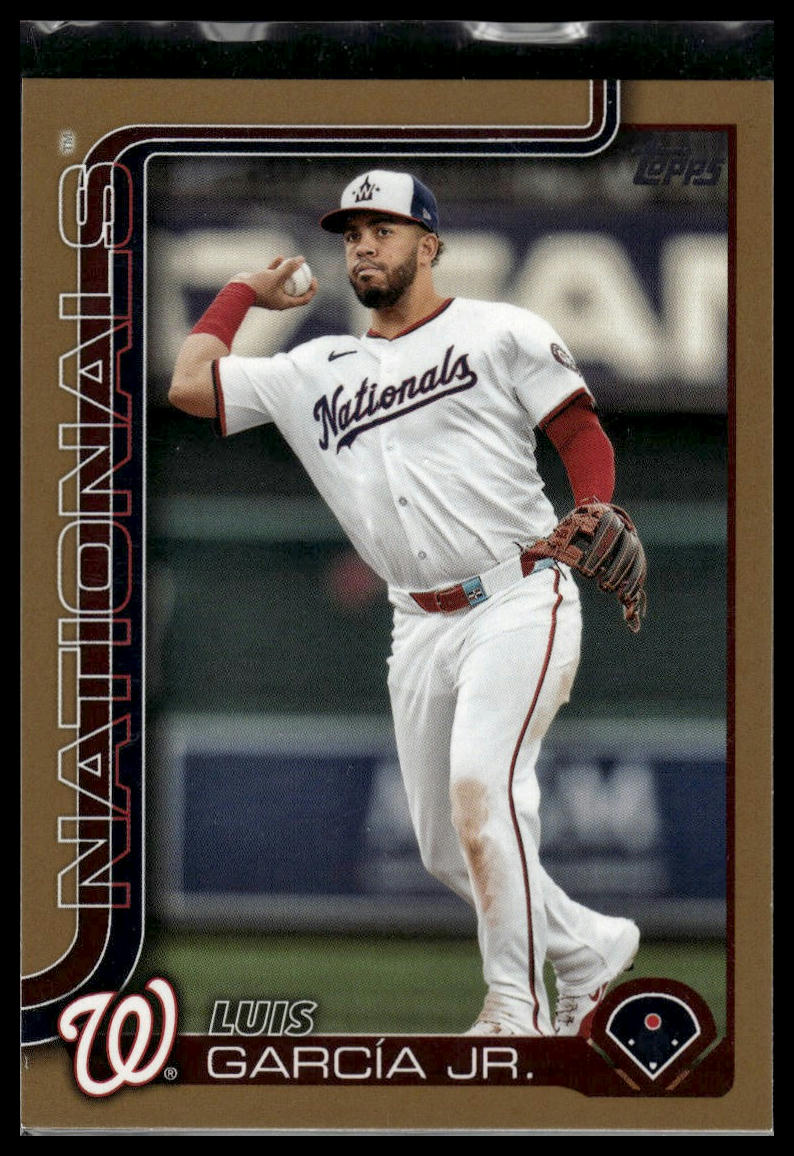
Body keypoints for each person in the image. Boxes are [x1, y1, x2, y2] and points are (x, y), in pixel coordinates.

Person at [169, 169, 640, 1037]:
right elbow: (190, 386)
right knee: (443, 846)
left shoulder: (499, 330)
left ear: (430, 245)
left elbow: (579, 430)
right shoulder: (314, 369)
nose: (363, 246)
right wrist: (240, 293)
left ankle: (516, 1007)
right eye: (352, 234)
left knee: (484, 792)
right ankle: (587, 944)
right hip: (417, 622)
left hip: (517, 597)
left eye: (382, 230)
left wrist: (596, 505)